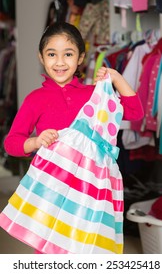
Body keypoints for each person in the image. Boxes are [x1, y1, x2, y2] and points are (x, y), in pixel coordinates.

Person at [0, 22, 144, 254]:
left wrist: (116, 78)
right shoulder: (35, 99)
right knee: (50, 249)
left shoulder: (95, 94)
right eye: (51, 54)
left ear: (80, 58)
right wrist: (35, 142)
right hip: (51, 189)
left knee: (88, 247)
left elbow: (136, 114)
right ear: (41, 57)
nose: (59, 62)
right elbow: (12, 142)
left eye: (68, 54)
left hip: (90, 190)